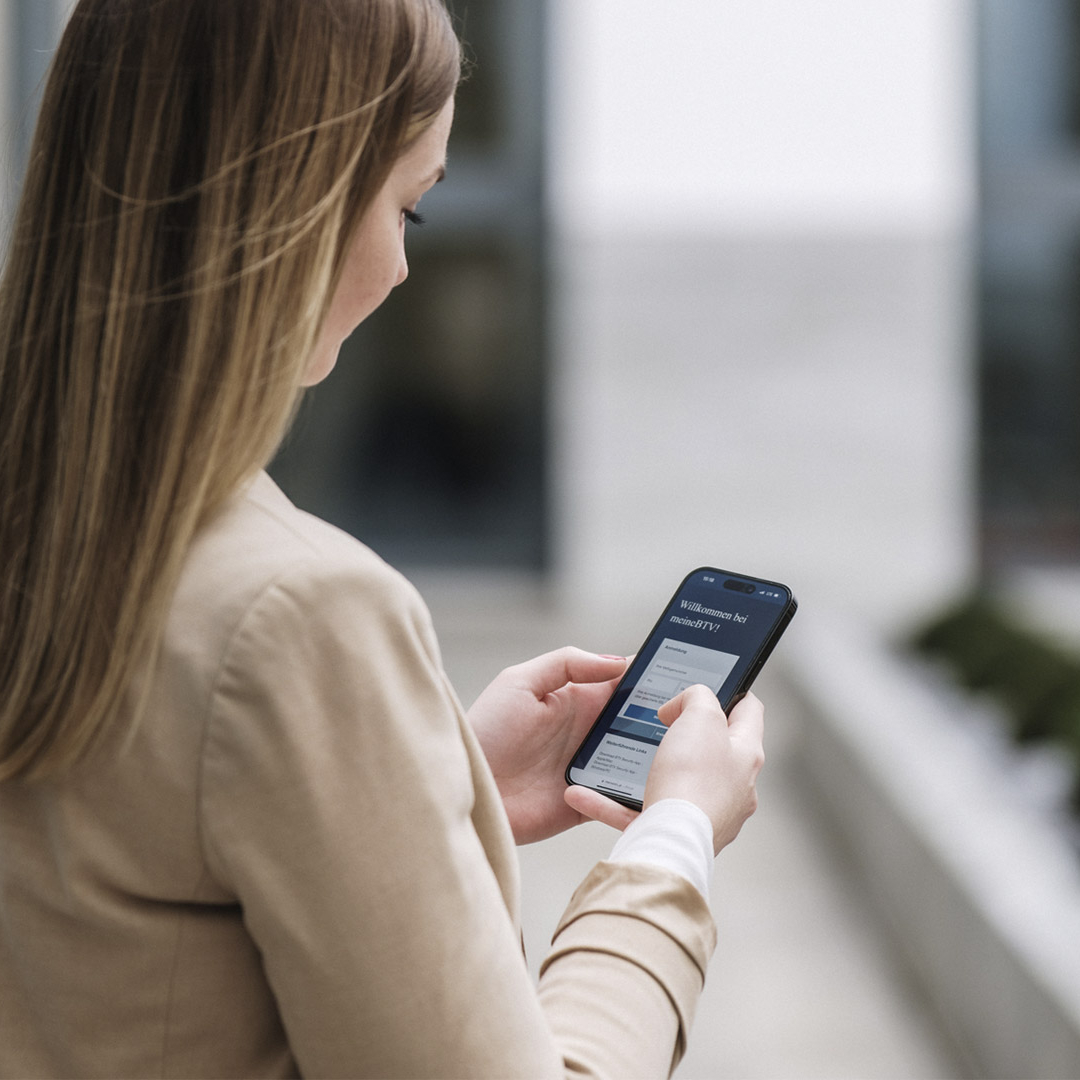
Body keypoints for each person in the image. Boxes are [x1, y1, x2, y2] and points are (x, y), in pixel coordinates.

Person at [0, 1, 766, 1076]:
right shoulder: (298, 617)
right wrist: (675, 839)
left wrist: (425, 784)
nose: (404, 270)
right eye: (411, 209)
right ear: (299, 204)